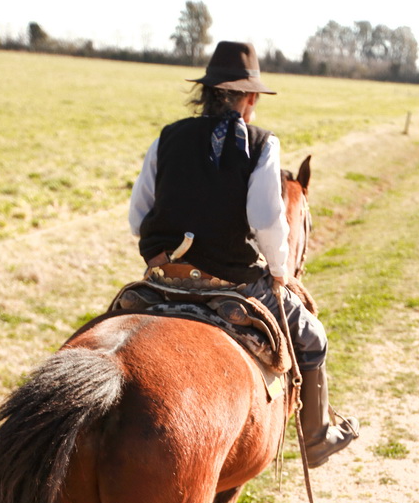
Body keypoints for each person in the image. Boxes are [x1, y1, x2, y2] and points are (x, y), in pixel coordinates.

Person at [129, 40, 358, 468]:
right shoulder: (261, 144)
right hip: (230, 279)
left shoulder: (168, 137)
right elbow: (268, 220)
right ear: (250, 98)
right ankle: (317, 437)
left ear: (208, 92)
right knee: (311, 335)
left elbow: (138, 212)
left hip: (164, 275)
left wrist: (159, 257)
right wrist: (279, 270)